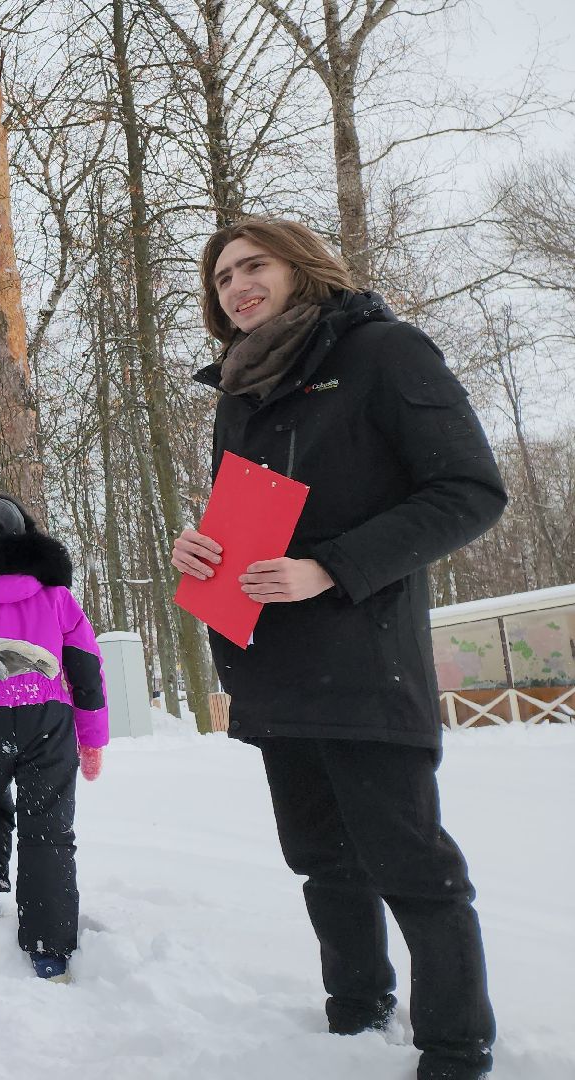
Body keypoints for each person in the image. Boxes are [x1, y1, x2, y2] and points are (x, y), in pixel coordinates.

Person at [173, 218, 505, 1080]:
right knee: (321, 860)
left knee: (412, 865)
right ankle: (354, 1016)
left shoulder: (385, 353)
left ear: (302, 268)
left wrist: (332, 567)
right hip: (275, 666)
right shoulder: (240, 394)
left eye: (254, 266)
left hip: (366, 658)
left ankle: (456, 1045)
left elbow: (470, 491)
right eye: (221, 278)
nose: (236, 286)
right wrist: (201, 549)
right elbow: (249, 519)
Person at [0, 495, 108, 983]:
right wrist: (92, 735)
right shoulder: (57, 599)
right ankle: (49, 947)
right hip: (47, 716)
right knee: (49, 823)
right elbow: (87, 668)